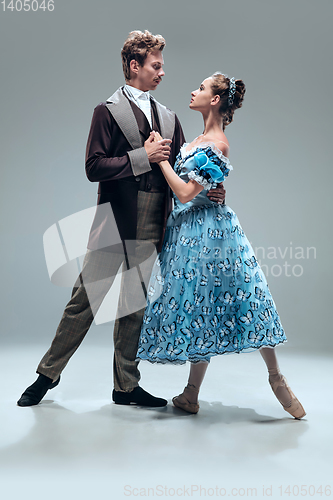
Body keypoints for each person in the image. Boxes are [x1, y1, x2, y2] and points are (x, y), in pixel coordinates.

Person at [17, 31, 226, 408]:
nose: (162, 72)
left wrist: (209, 191)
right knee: (85, 300)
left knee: (134, 305)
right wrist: (142, 157)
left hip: (154, 217)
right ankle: (46, 375)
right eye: (156, 65)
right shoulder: (106, 111)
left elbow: (181, 172)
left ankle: (125, 386)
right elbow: (93, 167)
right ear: (135, 66)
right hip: (113, 219)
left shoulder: (170, 116)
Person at [136, 73, 306, 419]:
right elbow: (193, 190)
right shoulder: (197, 140)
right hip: (189, 231)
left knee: (246, 297)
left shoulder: (216, 143)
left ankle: (275, 377)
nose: (193, 91)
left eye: (201, 88)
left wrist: (161, 160)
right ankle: (190, 394)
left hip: (210, 233)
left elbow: (184, 192)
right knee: (203, 305)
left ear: (215, 99)